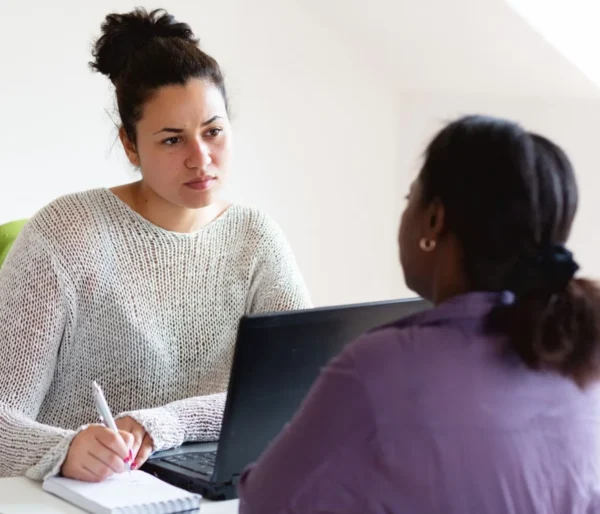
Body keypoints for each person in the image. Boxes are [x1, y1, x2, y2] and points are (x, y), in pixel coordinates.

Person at [0, 8, 311, 482]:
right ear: (130, 145)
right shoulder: (64, 235)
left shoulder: (256, 238)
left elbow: (299, 389)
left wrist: (163, 425)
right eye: (172, 140)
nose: (200, 158)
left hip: (213, 485)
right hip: (82, 496)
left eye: (213, 131)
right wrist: (65, 449)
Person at [238, 115, 600, 513]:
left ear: (434, 219)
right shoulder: (579, 351)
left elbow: (263, 504)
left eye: (410, 199)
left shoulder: (380, 367)